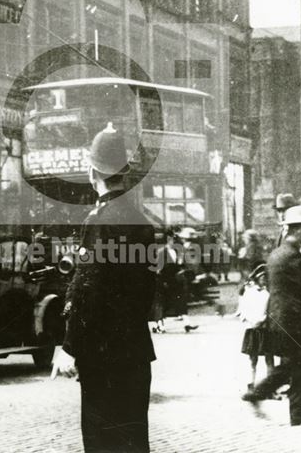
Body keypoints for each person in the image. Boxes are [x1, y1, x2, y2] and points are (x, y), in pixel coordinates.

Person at [53, 123, 157, 452]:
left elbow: (87, 289)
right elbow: (148, 287)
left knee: (103, 442)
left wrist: (69, 346)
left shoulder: (98, 221)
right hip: (135, 351)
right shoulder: (141, 222)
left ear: (91, 172)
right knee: (134, 440)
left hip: (103, 356)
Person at [242, 205, 301, 426]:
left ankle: (299, 414)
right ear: (297, 230)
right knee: (296, 364)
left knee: (300, 364)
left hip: (285, 317)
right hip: (292, 319)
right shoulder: (290, 254)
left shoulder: (281, 252)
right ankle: (260, 393)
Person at [151, 228, 197, 333]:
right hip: (164, 281)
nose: (174, 241)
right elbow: (158, 269)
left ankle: (187, 324)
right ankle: (159, 325)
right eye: (172, 239)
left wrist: (182, 270)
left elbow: (178, 265)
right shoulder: (162, 252)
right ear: (168, 239)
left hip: (175, 280)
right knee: (161, 304)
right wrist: (162, 281)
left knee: (181, 300)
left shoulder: (175, 251)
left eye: (175, 239)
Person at [238, 264, 275, 393]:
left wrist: (262, 320)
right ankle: (251, 384)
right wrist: (250, 320)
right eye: (261, 277)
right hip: (252, 328)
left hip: (264, 328)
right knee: (252, 359)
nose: (264, 279)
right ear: (257, 279)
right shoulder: (249, 292)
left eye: (266, 277)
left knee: (269, 358)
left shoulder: (267, 294)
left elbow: (270, 311)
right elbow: (243, 309)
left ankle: (270, 387)